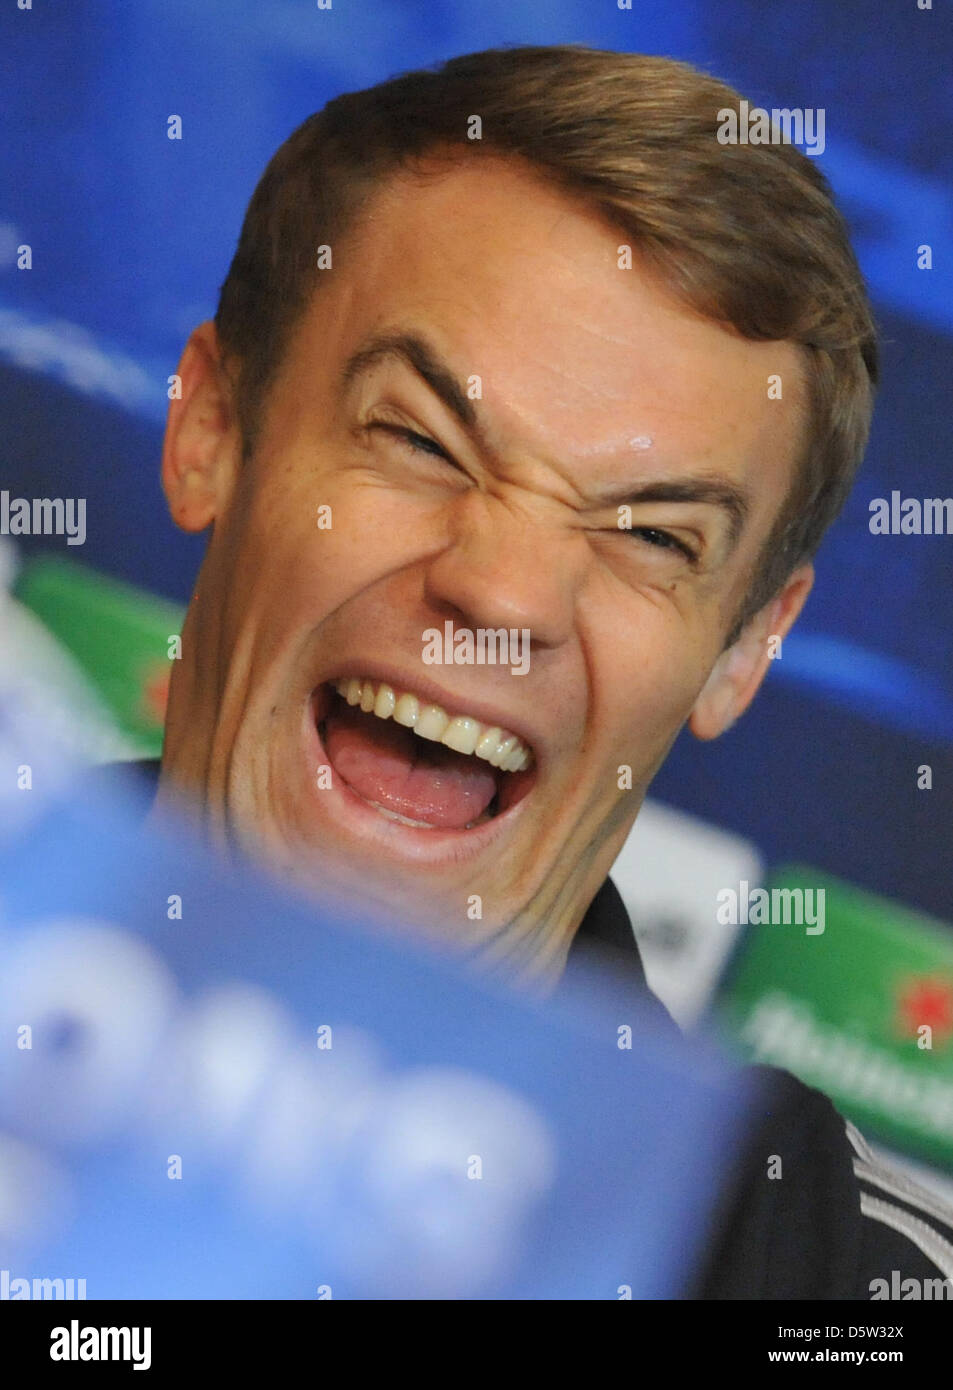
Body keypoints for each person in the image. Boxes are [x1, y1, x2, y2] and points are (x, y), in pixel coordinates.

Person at [144, 45, 953, 1297]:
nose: (504, 593)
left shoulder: (842, 1286)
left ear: (741, 648)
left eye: (648, 535)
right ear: (212, 429)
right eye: (418, 438)